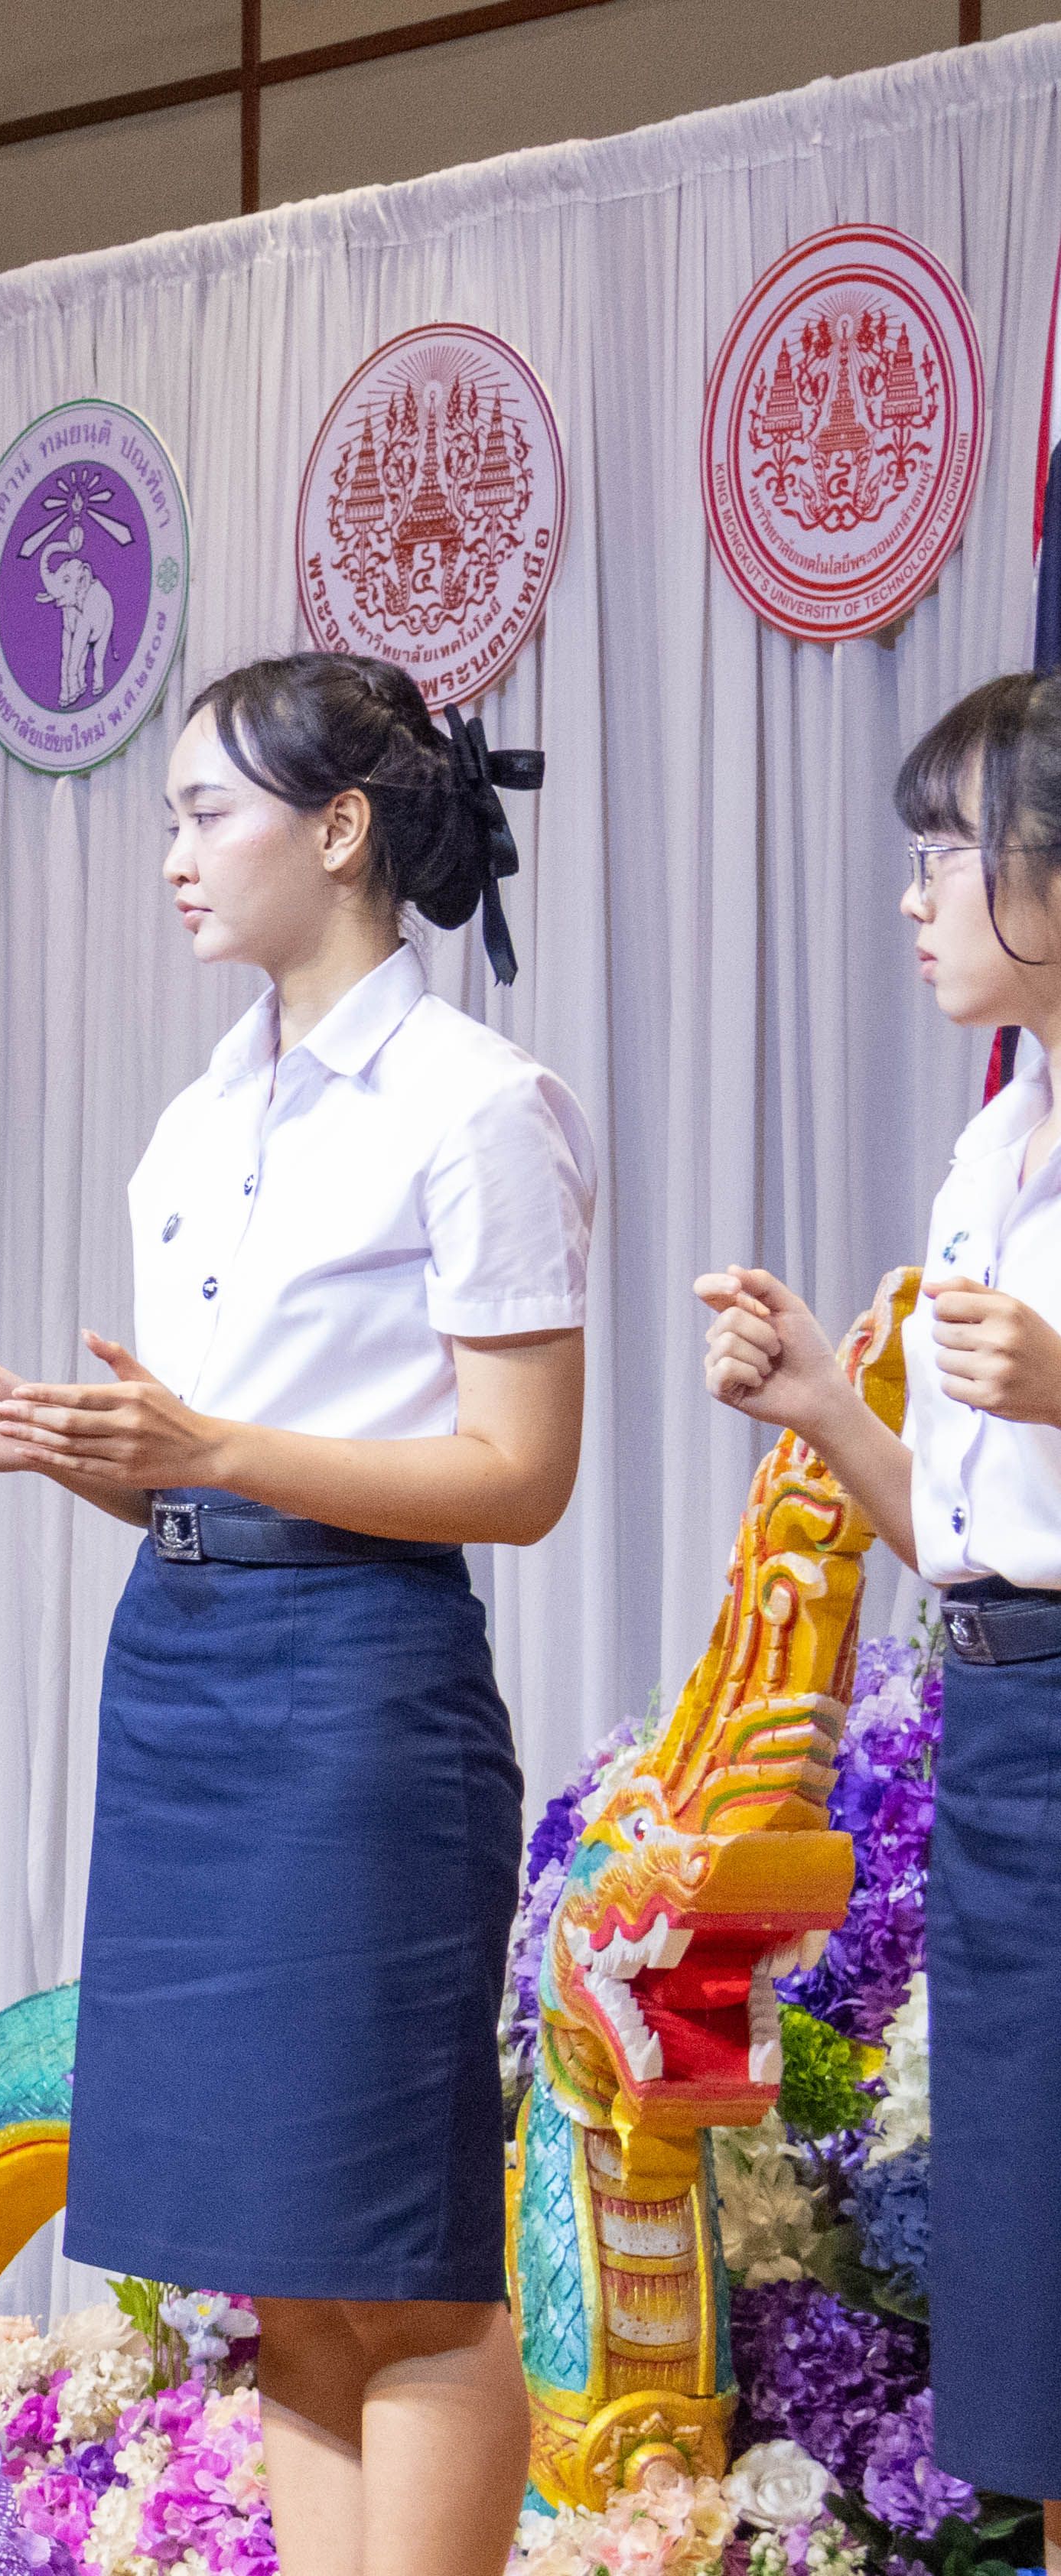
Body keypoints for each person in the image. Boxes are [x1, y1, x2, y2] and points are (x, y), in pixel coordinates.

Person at [0, 652, 586, 2576]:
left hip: (360, 1692)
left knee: (401, 2254)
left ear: (340, 829)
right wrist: (63, 1446)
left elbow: (520, 1471)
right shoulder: (198, 1117)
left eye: (209, 813)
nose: (176, 854)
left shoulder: (474, 1101)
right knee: (282, 2261)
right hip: (182, 1671)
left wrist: (215, 1446)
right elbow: (204, 1464)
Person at [692, 669, 1061, 2516]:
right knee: (1033, 2281)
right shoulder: (995, 1146)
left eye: (946, 849)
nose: (915, 897)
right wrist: (827, 1407)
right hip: (1005, 1731)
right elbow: (974, 1536)